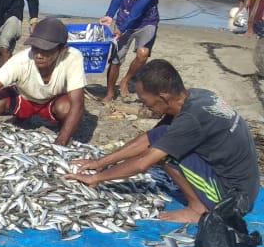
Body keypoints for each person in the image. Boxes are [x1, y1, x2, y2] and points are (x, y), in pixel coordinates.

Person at [64, 59, 259, 223]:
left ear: (163, 96)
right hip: (244, 184)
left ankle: (197, 208)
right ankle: (200, 200)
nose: (143, 104)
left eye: (143, 99)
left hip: (232, 197)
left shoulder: (191, 120)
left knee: (167, 155)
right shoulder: (197, 96)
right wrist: (100, 163)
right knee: (163, 136)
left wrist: (96, 178)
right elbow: (151, 136)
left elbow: (143, 162)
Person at [0, 17, 86, 146]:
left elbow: (78, 103)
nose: (39, 55)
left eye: (46, 50)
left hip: (53, 101)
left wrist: (61, 141)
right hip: (26, 98)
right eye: (35, 47)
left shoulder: (72, 58)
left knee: (66, 108)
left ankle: (63, 129)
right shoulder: (21, 61)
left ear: (62, 50)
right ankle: (23, 115)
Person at [99, 0, 169, 103]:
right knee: (116, 58)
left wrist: (123, 28)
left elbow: (142, 3)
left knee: (143, 54)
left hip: (147, 20)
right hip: (123, 16)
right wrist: (110, 13)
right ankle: (109, 92)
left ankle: (126, 80)